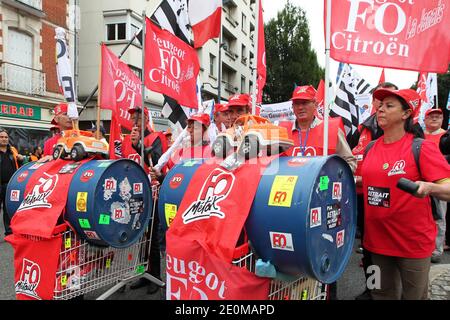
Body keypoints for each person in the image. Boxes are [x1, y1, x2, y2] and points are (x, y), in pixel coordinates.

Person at [361, 88, 450, 300]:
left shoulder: (421, 148)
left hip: (412, 244)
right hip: (376, 243)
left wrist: (429, 188)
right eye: (380, 105)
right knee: (380, 294)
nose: (380, 109)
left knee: (414, 297)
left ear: (406, 114)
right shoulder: (370, 148)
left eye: (389, 105)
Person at [351, 82, 399, 300]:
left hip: (389, 200)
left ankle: (389, 290)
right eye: (378, 100)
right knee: (369, 249)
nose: (381, 107)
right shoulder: (363, 127)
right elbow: (352, 154)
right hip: (362, 198)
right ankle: (372, 289)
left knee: (389, 250)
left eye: (388, 102)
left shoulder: (399, 129)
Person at [121, 106, 168, 295]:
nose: (134, 122)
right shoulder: (128, 139)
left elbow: (156, 161)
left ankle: (155, 276)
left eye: (138, 118)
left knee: (154, 238)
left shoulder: (156, 137)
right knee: (141, 236)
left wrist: (138, 144)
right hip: (135, 194)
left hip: (153, 191)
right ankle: (144, 272)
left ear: (146, 118)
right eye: (132, 118)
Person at [279, 85, 356, 171]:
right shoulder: (282, 131)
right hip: (290, 183)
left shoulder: (330, 130)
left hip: (322, 183)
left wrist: (334, 174)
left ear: (315, 104)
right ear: (292, 107)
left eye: (305, 103)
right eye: (297, 104)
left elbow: (350, 162)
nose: (300, 107)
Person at [423, 108, 447, 263]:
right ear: (424, 119)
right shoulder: (419, 135)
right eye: (431, 116)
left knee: (439, 216)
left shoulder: (447, 136)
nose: (434, 118)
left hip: (440, 181)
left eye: (438, 116)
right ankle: (424, 247)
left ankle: (436, 250)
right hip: (421, 180)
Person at [0, 128, 23, 236]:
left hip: (10, 185)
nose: (4, 139)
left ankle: (9, 231)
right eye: (1, 137)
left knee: (8, 208)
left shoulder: (12, 150)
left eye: (6, 137)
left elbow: (20, 165)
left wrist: (21, 159)